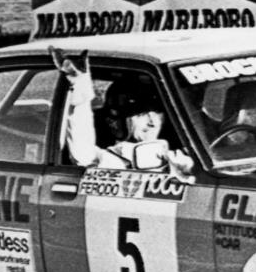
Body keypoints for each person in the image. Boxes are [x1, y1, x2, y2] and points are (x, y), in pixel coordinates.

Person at [50, 47, 194, 179]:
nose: (152, 122)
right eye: (141, 114)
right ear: (117, 121)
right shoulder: (112, 160)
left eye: (157, 113)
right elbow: (84, 154)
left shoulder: (181, 153)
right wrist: (80, 87)